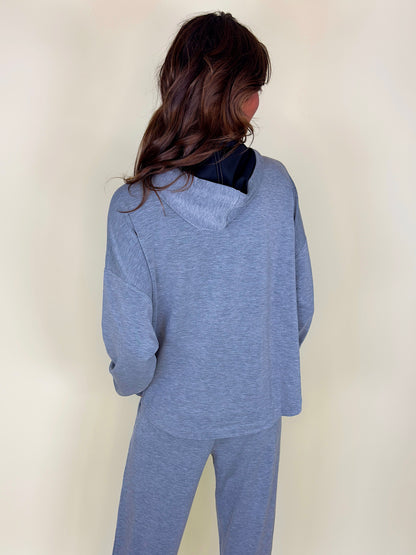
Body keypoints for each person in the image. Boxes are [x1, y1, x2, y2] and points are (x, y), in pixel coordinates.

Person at [101, 10, 314, 555]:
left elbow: (132, 347)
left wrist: (138, 383)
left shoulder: (134, 205)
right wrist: (254, 364)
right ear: (235, 97)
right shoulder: (278, 186)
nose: (258, 101)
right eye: (254, 88)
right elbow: (298, 306)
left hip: (173, 408)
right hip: (257, 403)